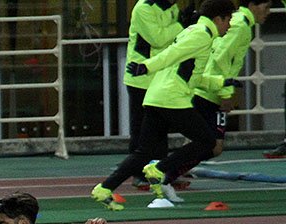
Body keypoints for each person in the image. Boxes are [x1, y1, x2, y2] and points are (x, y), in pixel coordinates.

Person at [91, 0, 237, 210]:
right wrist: (146, 67)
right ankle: (160, 169)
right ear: (218, 19)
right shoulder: (201, 35)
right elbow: (172, 54)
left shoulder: (194, 31)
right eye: (229, 19)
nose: (230, 25)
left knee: (144, 151)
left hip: (156, 96)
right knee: (207, 141)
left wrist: (221, 82)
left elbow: (191, 76)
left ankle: (104, 189)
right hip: (171, 98)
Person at [173, 0, 276, 185]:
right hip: (209, 91)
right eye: (266, 7)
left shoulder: (240, 24)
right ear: (252, 5)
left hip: (206, 88)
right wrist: (226, 93)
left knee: (199, 141)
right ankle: (166, 170)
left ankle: (172, 171)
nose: (268, 12)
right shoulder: (240, 26)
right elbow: (220, 58)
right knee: (214, 146)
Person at [123, 0, 189, 189]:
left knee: (161, 129)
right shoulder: (143, 8)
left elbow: (175, 40)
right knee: (140, 130)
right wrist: (181, 25)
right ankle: (138, 174)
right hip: (140, 79)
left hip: (161, 77)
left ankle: (161, 173)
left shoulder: (172, 7)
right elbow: (158, 39)